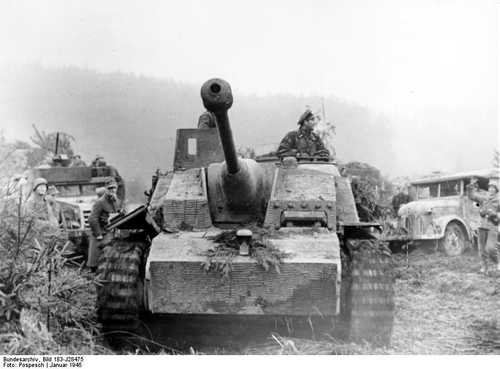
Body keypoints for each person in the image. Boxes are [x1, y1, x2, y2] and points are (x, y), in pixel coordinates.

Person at [467, 175, 500, 274]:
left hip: (492, 226)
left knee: (490, 248)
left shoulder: (498, 201)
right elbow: (472, 196)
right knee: (482, 249)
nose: (491, 189)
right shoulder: (483, 198)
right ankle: (484, 268)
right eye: (490, 187)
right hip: (481, 225)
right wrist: (471, 185)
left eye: (493, 188)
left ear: (496, 190)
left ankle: (498, 262)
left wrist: (494, 214)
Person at [87, 179, 122, 271]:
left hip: (111, 232)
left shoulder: (117, 201)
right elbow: (92, 219)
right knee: (96, 260)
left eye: (114, 188)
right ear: (106, 189)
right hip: (101, 232)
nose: (112, 190)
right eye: (110, 188)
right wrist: (98, 234)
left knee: (110, 258)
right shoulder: (100, 202)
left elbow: (118, 213)